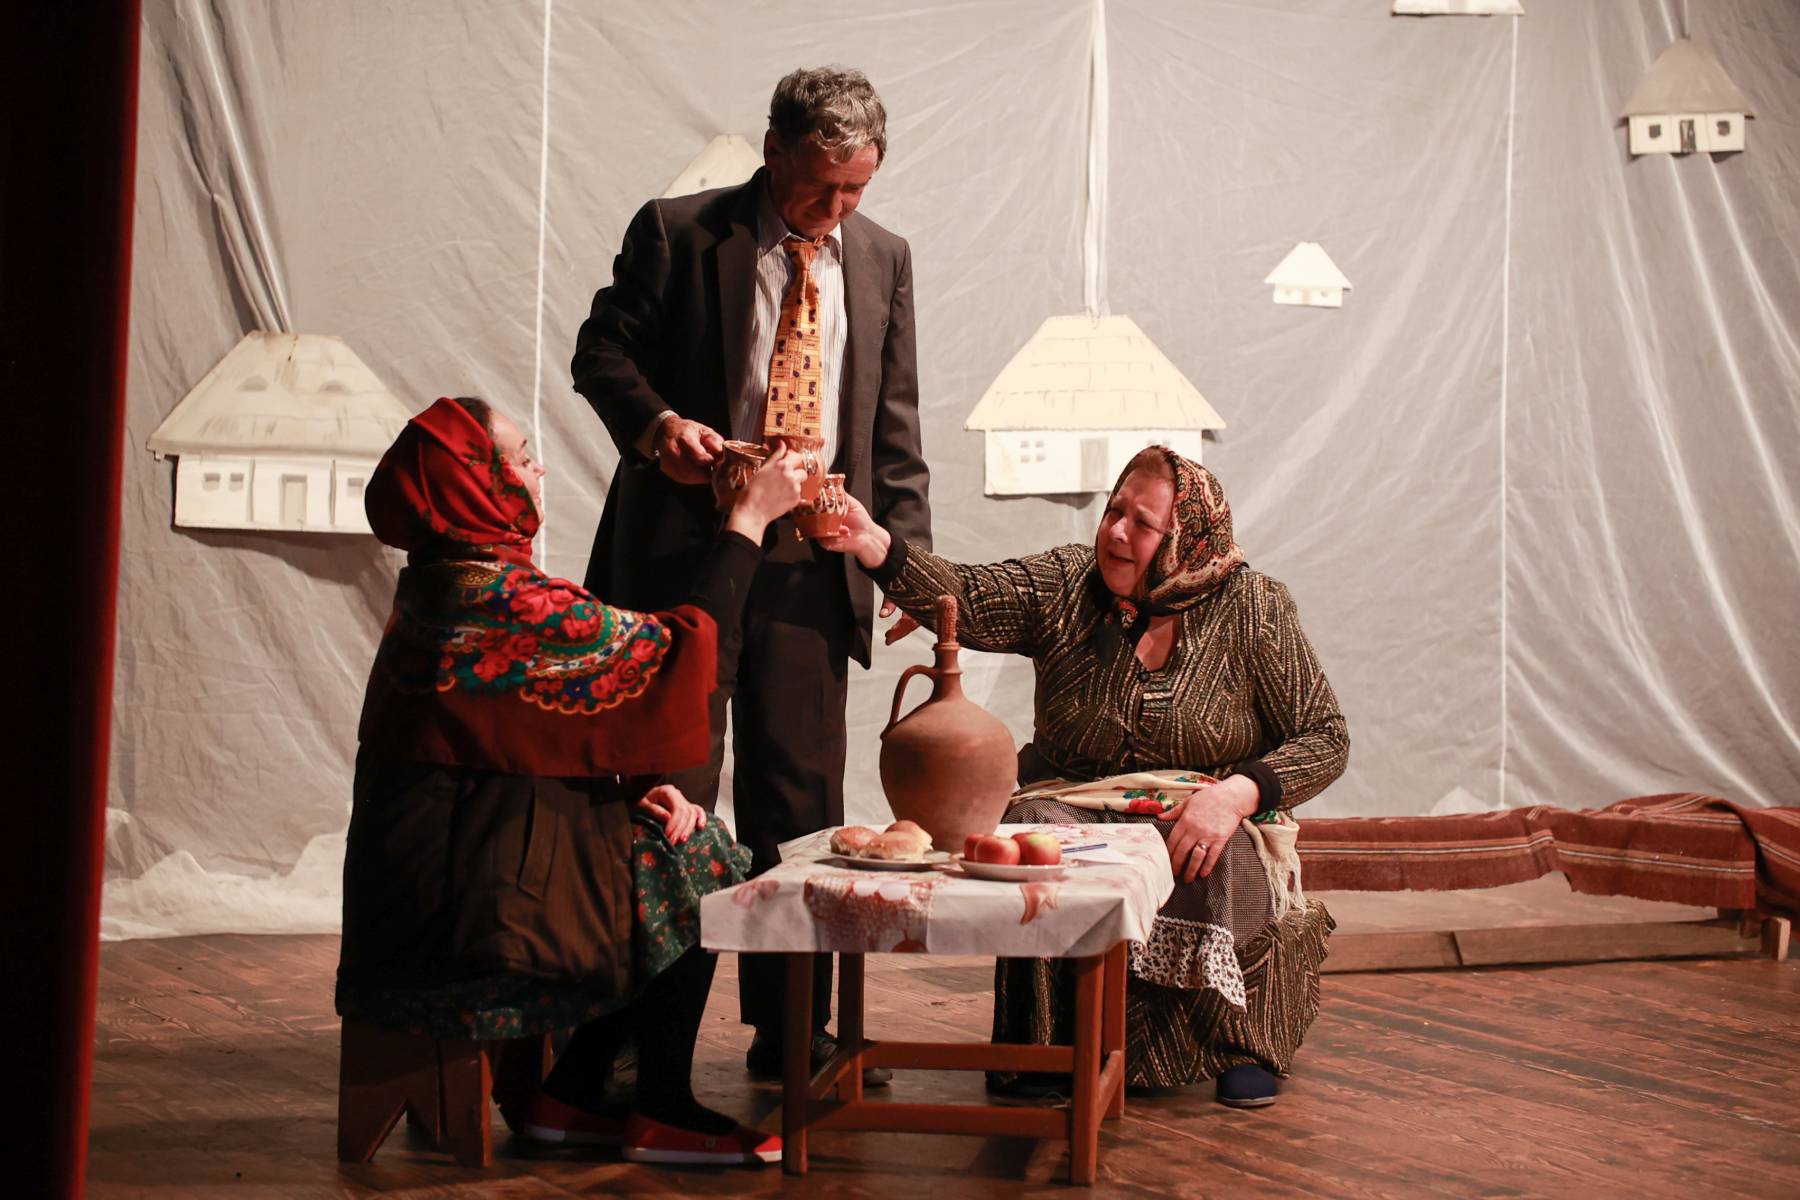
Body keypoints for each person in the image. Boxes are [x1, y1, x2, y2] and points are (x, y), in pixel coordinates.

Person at [571, 66, 931, 1082]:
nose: (837, 207)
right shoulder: (679, 233)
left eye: (857, 188)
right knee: (668, 799)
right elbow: (601, 355)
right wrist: (658, 428)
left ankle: (791, 1032)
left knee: (800, 812)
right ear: (773, 150)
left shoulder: (884, 256)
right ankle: (630, 1043)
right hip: (686, 564)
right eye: (821, 185)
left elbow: (894, 428)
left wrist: (906, 565)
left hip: (811, 574)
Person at [337, 396, 807, 1165]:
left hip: (438, 888)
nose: (539, 469)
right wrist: (748, 519)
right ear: (477, 483)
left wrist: (633, 793)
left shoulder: (440, 585)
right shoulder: (495, 599)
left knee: (662, 833)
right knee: (703, 860)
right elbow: (674, 653)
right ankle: (661, 1108)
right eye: (522, 458)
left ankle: (573, 1095)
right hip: (458, 922)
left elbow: (519, 737)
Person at [819, 446, 1347, 1107]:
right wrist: (874, 543)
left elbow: (1325, 735)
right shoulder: (1069, 583)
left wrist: (1239, 793)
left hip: (1200, 802)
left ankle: (1235, 1043)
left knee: (1220, 847)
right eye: (1114, 511)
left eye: (1143, 523)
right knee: (1031, 830)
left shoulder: (1254, 607)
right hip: (1075, 796)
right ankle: (1044, 1047)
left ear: (1187, 539)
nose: (1117, 531)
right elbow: (970, 595)